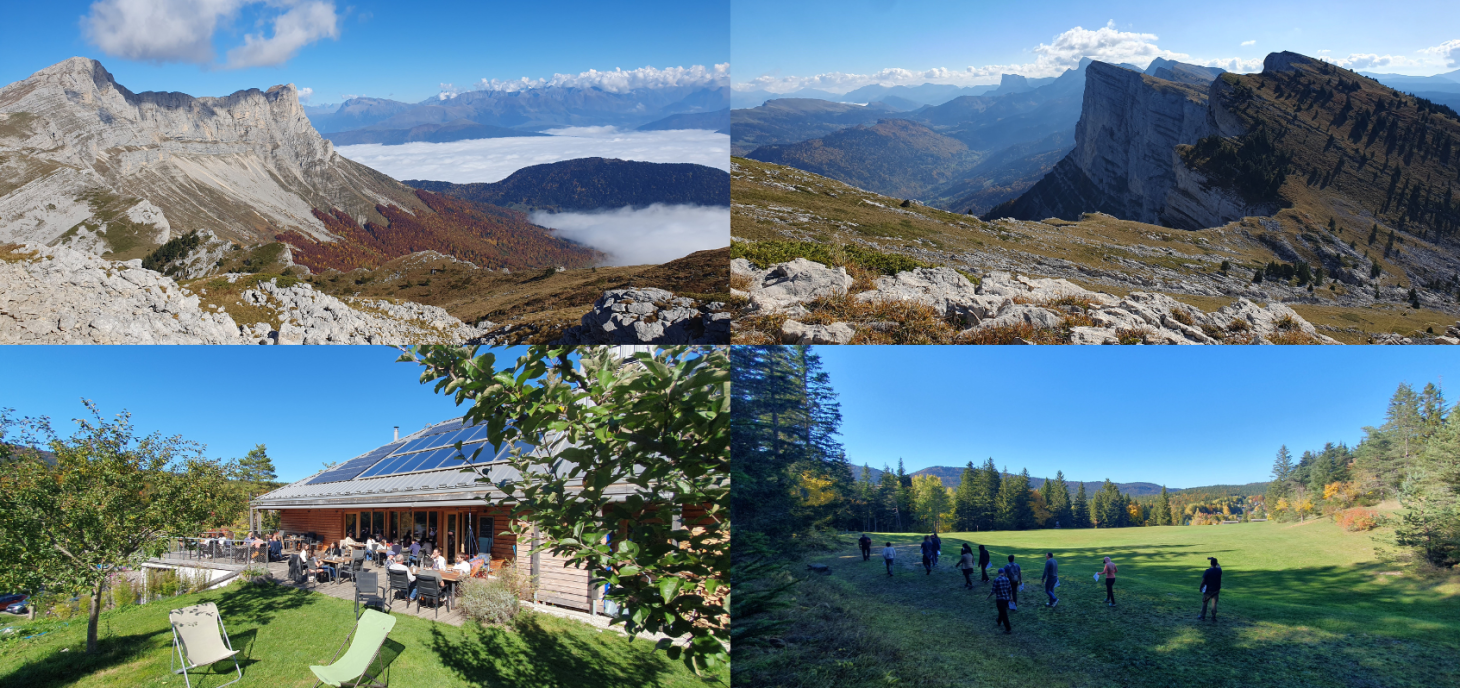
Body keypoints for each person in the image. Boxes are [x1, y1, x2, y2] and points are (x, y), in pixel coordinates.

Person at [987, 567, 1013, 634]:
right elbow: (1010, 589)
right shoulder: (1007, 579)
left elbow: (993, 591)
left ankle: (1008, 629)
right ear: (1004, 573)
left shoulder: (996, 580)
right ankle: (998, 621)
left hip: (999, 599)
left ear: (998, 573)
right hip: (1006, 599)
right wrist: (1011, 597)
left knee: (1004, 614)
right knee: (1002, 611)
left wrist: (988, 597)